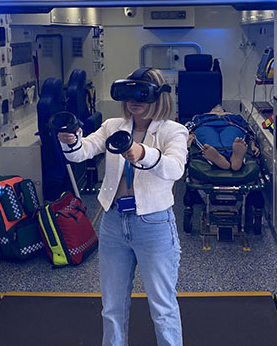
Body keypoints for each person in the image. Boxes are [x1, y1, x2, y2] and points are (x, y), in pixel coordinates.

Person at [57, 68, 187, 346]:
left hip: (153, 225)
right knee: (112, 307)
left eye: (140, 94)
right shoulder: (113, 126)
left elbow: (175, 168)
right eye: (128, 95)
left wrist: (143, 153)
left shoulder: (173, 131)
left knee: (162, 308)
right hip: (114, 223)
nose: (133, 101)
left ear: (157, 96)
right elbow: (84, 151)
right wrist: (71, 140)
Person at [189, 104, 259, 171]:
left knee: (234, 139)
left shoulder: (235, 117)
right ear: (210, 111)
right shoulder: (200, 117)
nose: (218, 108)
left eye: (220, 108)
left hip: (231, 125)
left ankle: (232, 156)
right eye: (215, 108)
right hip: (205, 126)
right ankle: (222, 157)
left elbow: (248, 130)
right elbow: (188, 130)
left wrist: (252, 144)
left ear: (224, 111)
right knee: (208, 137)